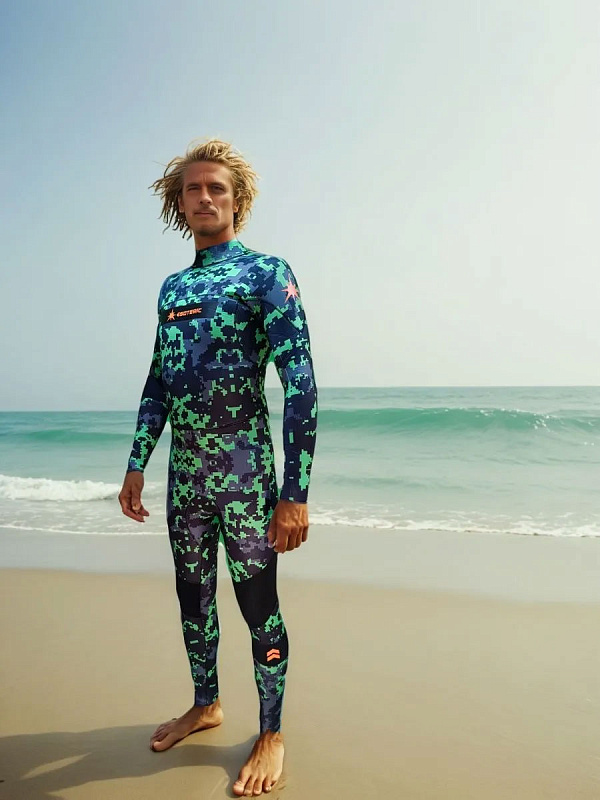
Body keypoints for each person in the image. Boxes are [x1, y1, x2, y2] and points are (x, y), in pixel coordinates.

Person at [118, 138, 318, 797]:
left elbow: (301, 385)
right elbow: (159, 380)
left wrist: (294, 493)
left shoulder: (266, 274)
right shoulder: (172, 288)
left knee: (259, 605)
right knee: (192, 598)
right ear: (178, 204)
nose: (204, 198)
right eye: (193, 190)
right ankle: (205, 705)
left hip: (248, 479)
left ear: (237, 201)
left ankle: (271, 733)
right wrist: (137, 463)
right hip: (187, 481)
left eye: (216, 189)